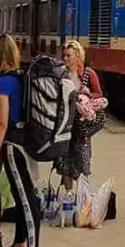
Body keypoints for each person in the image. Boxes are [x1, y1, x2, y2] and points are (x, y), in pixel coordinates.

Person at [0, 34, 40, 247]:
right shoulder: (20, 77)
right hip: (26, 142)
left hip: (13, 145)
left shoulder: (3, 83)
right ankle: (20, 243)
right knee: (21, 196)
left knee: (26, 199)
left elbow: (1, 123)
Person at [53, 41, 105, 191]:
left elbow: (99, 94)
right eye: (64, 55)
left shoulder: (89, 74)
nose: (65, 58)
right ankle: (68, 195)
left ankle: (83, 197)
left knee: (82, 162)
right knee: (64, 164)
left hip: (81, 126)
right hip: (65, 124)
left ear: (77, 56)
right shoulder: (61, 74)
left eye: (68, 55)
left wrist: (88, 94)